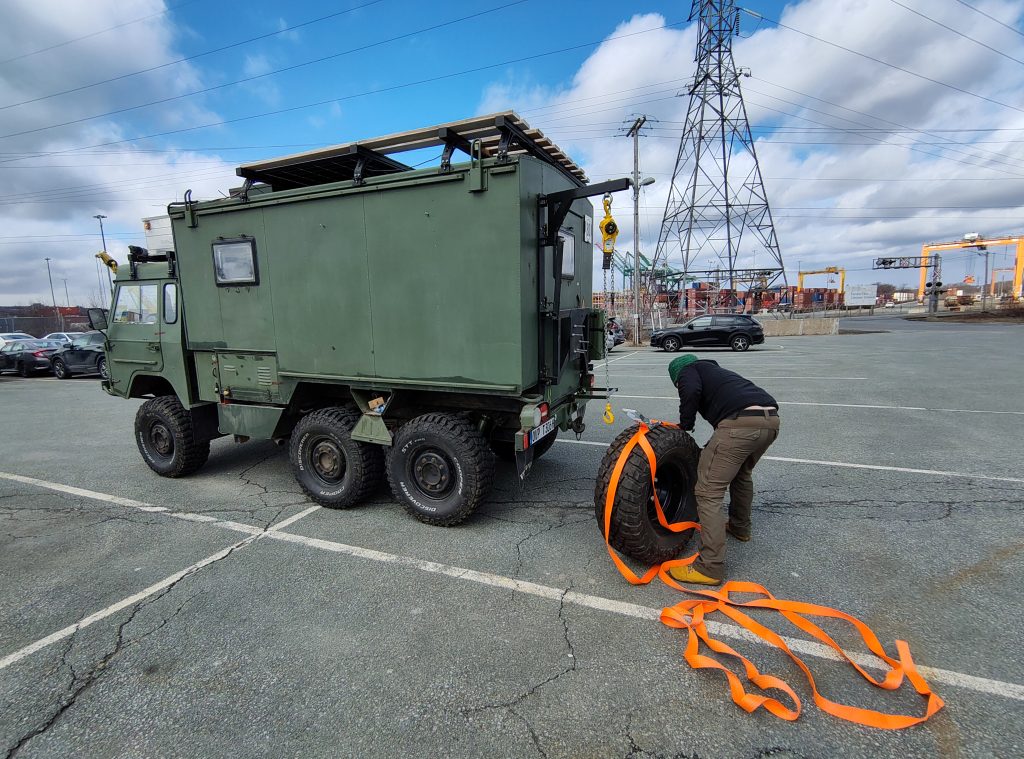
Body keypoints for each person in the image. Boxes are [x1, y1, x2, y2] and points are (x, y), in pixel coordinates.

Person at [665, 354, 780, 586]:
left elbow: (691, 391)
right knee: (741, 475)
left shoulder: (688, 371)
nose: (680, 385)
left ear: (678, 375)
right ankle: (740, 527)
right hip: (770, 421)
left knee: (708, 493)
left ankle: (709, 567)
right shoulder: (718, 373)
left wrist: (685, 425)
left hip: (740, 425)